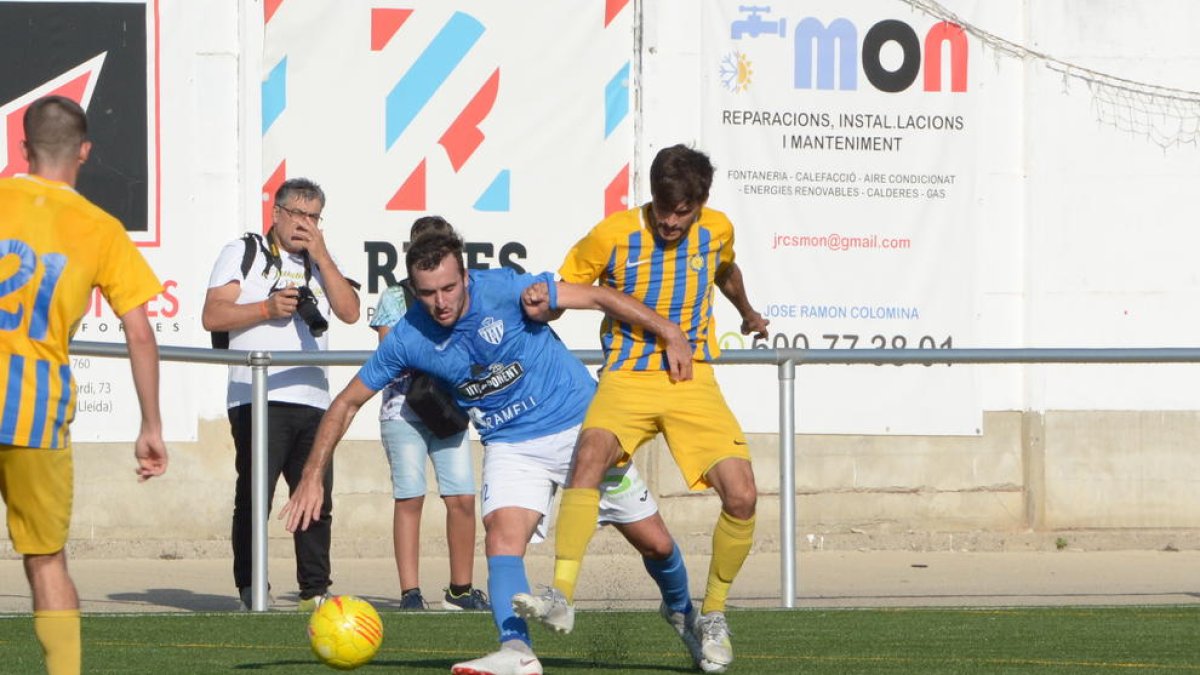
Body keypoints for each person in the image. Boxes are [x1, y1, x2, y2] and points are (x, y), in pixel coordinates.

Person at [281, 229, 707, 675]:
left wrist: (669, 331)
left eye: (449, 287)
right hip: (509, 442)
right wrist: (312, 475)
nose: (441, 302)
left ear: (466, 275)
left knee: (655, 544)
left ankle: (682, 613)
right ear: (413, 290)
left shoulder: (504, 288)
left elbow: (599, 297)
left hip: (582, 428)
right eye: (427, 293)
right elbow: (346, 402)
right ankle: (516, 651)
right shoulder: (407, 338)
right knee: (501, 536)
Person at [514, 144, 769, 674]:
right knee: (588, 458)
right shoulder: (612, 235)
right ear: (650, 196)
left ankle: (714, 615)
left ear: (700, 204)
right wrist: (544, 301)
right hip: (627, 378)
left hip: (690, 380)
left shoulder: (716, 229)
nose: (673, 222)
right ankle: (561, 593)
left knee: (742, 496)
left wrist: (746, 311)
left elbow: (726, 269)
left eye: (684, 212)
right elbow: (568, 290)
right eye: (664, 209)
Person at [0, 95, 168, 675]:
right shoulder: (99, 228)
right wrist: (150, 424)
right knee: (45, 560)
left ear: (21, 149)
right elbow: (140, 333)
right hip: (33, 408)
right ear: (86, 152)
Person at [201, 178, 360, 611]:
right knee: (255, 496)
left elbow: (348, 312)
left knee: (315, 494)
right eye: (296, 214)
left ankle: (314, 590)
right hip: (257, 395)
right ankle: (253, 588)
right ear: (276, 214)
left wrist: (322, 254)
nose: (303, 224)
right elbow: (212, 314)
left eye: (313, 217)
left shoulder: (320, 261)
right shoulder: (245, 251)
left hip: (313, 398)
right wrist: (266, 309)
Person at [370, 216, 488, 611]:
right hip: (403, 408)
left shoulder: (466, 297)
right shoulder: (394, 297)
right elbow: (391, 356)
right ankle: (410, 592)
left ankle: (460, 589)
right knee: (410, 497)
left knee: (462, 498)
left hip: (449, 407)